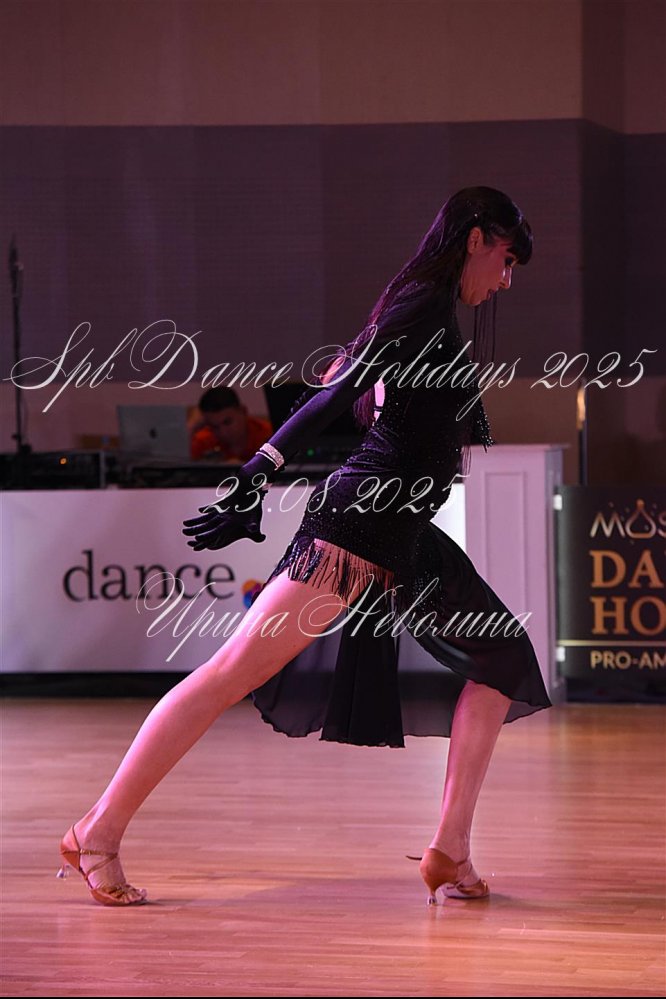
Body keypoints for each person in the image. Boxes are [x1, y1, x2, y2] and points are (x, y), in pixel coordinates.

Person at [58, 186, 552, 908]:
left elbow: (369, 393)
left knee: (503, 659)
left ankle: (450, 849)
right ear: (476, 238)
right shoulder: (420, 303)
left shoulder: (425, 310)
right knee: (228, 673)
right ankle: (96, 831)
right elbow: (331, 394)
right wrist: (258, 468)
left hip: (404, 535)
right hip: (359, 529)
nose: (506, 279)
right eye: (506, 260)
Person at [188, 386, 273, 461]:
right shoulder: (204, 441)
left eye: (227, 422)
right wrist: (191, 426)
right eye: (214, 427)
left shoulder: (268, 435)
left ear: (243, 411)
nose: (223, 432)